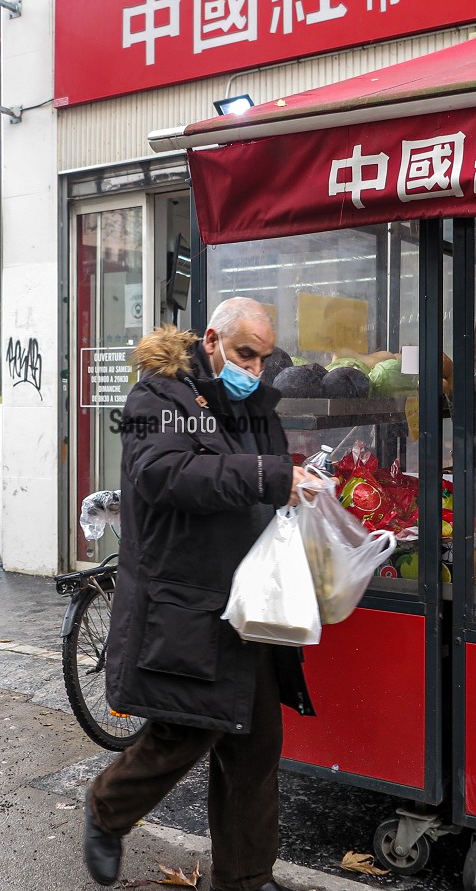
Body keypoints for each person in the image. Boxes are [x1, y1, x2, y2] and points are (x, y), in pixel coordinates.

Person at [82, 298, 315, 891]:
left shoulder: (253, 404)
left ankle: (246, 878)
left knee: (256, 750)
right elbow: (164, 473)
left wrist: (297, 488)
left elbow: (267, 479)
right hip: (188, 604)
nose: (255, 369)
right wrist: (269, 477)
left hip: (251, 603)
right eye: (245, 355)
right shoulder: (154, 399)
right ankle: (107, 812)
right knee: (181, 736)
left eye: (263, 358)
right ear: (212, 340)